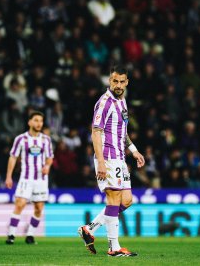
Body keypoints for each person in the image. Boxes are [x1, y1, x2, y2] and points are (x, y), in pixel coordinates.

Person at [78, 65, 145, 257]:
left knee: (127, 200)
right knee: (114, 199)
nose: (118, 84)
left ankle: (90, 228)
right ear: (109, 81)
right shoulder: (104, 102)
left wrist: (134, 151)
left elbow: (122, 132)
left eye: (121, 81)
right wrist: (100, 161)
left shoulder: (122, 101)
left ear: (126, 82)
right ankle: (114, 247)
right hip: (107, 157)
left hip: (121, 158)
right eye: (114, 81)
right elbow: (95, 132)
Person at [5, 111, 53, 245]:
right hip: (25, 179)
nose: (39, 123)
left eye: (41, 121)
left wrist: (48, 166)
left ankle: (30, 235)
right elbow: (13, 157)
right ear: (29, 122)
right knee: (19, 204)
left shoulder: (46, 140)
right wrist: (9, 176)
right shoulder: (21, 139)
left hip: (41, 180)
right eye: (36, 120)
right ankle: (11, 235)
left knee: (38, 208)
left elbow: (50, 157)